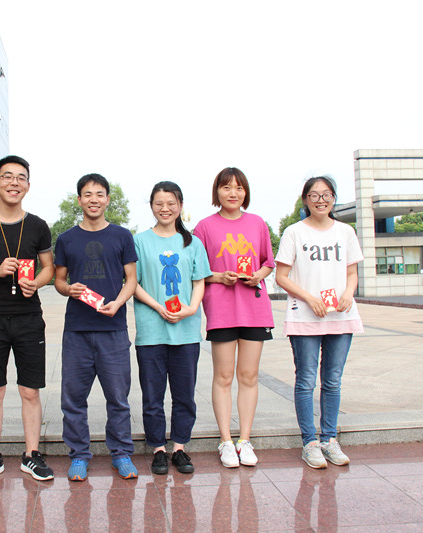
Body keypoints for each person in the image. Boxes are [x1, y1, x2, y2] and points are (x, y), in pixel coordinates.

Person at [0, 155, 55, 483]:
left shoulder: (38, 226)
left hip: (29, 318)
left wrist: (37, 282)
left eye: (20, 178)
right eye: (7, 177)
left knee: (30, 391)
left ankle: (32, 455)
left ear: (28, 185)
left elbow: (49, 267)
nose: (14, 183)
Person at [54, 173, 139, 481]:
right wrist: (68, 289)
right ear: (79, 200)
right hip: (77, 330)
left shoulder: (122, 236)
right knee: (73, 398)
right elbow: (58, 280)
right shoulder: (66, 239)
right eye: (87, 194)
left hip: (113, 328)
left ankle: (121, 453)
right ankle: (79, 455)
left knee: (118, 397)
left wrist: (118, 303)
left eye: (99, 194)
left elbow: (132, 279)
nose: (94, 199)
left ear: (107, 200)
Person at [275, 176, 363, 469]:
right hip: (305, 315)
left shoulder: (346, 232)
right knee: (306, 380)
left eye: (326, 195)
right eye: (314, 195)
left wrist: (348, 293)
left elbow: (352, 272)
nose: (320, 200)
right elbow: (281, 276)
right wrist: (310, 298)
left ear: (334, 198)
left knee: (333, 380)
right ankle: (310, 442)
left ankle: (329, 439)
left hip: (340, 315)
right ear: (305, 200)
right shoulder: (294, 233)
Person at [193, 167, 275, 468]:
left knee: (249, 376)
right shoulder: (204, 227)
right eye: (227, 187)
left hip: (255, 308)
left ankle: (245, 440)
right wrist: (218, 276)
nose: (233, 193)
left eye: (239, 188)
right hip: (222, 309)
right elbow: (196, 270)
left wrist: (258, 275)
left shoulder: (257, 223)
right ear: (217, 191)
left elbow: (268, 262)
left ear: (245, 192)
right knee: (224, 376)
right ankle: (226, 441)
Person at [133, 181, 211, 475]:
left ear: (180, 206)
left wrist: (191, 308)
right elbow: (133, 283)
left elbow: (199, 281)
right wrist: (158, 307)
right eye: (159, 203)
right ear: (151, 206)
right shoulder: (140, 241)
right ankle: (157, 449)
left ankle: (179, 447)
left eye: (171, 203)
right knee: (152, 396)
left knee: (184, 395)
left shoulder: (193, 243)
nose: (165, 209)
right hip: (151, 331)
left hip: (186, 331)